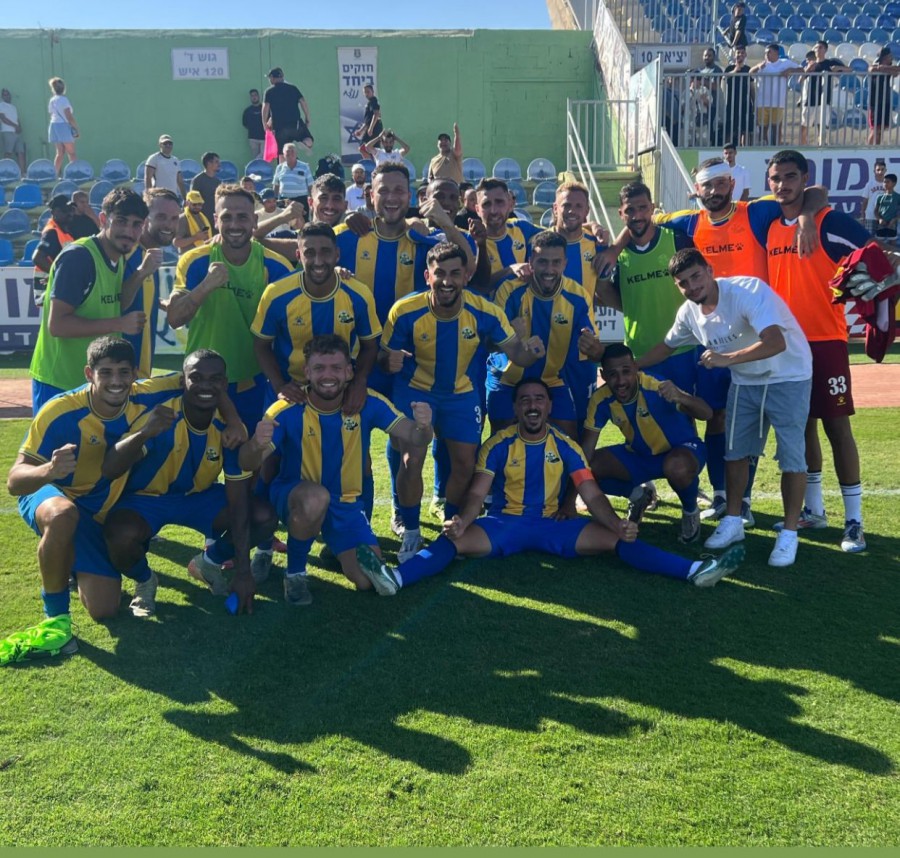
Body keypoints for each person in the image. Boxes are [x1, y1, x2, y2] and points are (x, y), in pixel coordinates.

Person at [355, 377, 744, 597]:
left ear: (548, 407)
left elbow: (592, 495)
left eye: (539, 399)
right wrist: (463, 521)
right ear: (516, 408)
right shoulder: (498, 444)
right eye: (525, 400)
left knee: (619, 541)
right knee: (451, 541)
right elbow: (475, 494)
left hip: (557, 525)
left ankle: (695, 570)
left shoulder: (567, 446)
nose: (532, 405)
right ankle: (396, 579)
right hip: (504, 524)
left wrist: (616, 524)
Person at [1, 337, 186, 665]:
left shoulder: (147, 393)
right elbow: (15, 481)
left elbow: (200, 376)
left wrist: (231, 420)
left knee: (104, 609)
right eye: (106, 372)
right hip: (51, 496)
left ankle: (70, 559)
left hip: (94, 513)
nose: (116, 381)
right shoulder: (60, 410)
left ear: (135, 373)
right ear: (89, 373)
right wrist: (49, 470)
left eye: (124, 372)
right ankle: (55, 621)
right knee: (62, 515)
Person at [641, 248, 813, 567]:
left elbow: (776, 342)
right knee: (735, 454)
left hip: (787, 376)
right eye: (683, 282)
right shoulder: (689, 313)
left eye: (696, 276)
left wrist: (726, 359)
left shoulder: (747, 291)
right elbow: (666, 347)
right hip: (745, 381)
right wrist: (629, 366)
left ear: (710, 270)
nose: (692, 286)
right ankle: (733, 520)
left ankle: (789, 533)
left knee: (791, 457)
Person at [239, 334, 435, 606]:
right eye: (319, 368)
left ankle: (338, 548)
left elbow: (415, 437)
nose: (327, 375)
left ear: (349, 372)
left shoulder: (369, 402)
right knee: (316, 498)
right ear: (307, 372)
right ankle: (295, 575)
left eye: (336, 368)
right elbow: (247, 463)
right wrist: (255, 445)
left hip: (346, 505)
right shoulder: (286, 409)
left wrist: (425, 426)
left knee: (366, 581)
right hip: (296, 495)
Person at [380, 241, 545, 560]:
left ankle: (451, 527)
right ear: (427, 276)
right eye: (440, 273)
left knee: (465, 463)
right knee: (412, 459)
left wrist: (531, 352)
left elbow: (517, 354)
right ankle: (411, 533)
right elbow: (384, 358)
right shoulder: (405, 310)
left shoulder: (485, 311)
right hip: (416, 392)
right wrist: (388, 362)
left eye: (455, 273)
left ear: (466, 277)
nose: (447, 281)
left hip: (462, 394)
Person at [102, 350, 278, 616]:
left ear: (224, 383)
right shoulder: (162, 414)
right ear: (182, 381)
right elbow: (110, 469)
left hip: (198, 498)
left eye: (215, 379)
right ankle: (145, 580)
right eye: (196, 378)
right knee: (120, 534)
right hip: (146, 499)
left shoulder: (230, 429)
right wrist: (144, 433)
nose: (206, 385)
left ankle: (209, 563)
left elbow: (238, 500)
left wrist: (243, 571)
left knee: (263, 516)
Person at [765, 150, 873, 552]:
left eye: (790, 176)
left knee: (837, 427)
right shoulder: (768, 226)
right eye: (776, 178)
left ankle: (854, 521)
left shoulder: (830, 221)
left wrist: (810, 214)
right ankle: (814, 509)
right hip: (786, 344)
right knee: (801, 426)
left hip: (826, 340)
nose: (782, 185)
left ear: (805, 178)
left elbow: (873, 255)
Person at [167, 185, 293, 432]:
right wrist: (206, 285)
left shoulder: (276, 266)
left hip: (253, 384)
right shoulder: (195, 260)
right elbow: (175, 318)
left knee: (250, 452)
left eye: (242, 217)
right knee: (199, 454)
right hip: (200, 381)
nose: (234, 224)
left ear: (254, 220)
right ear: (216, 220)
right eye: (227, 217)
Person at [29, 188, 153, 411]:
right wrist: (119, 324)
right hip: (60, 384)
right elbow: (57, 325)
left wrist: (141, 273)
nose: (128, 231)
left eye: (136, 224)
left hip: (90, 384)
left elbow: (116, 304)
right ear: (103, 220)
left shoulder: (117, 255)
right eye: (121, 221)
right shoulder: (79, 258)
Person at [579, 344, 711, 544]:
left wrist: (682, 397)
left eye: (626, 372)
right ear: (603, 375)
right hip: (640, 455)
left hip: (681, 451)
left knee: (677, 467)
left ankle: (690, 510)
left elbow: (707, 413)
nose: (621, 381)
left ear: (635, 368)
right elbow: (586, 453)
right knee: (589, 468)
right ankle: (639, 495)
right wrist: (572, 496)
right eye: (613, 374)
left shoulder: (655, 386)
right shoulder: (600, 399)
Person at [488, 230, 602, 440]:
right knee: (501, 439)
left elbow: (594, 348)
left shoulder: (577, 297)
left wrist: (593, 346)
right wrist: (509, 339)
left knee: (569, 440)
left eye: (556, 262)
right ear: (531, 261)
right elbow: (488, 344)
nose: (549, 270)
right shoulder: (509, 291)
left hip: (551, 379)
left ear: (565, 264)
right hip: (508, 378)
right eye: (542, 262)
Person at [121, 188, 180, 377]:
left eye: (174, 218)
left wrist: (161, 304)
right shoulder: (126, 253)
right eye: (161, 217)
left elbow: (137, 296)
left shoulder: (149, 255)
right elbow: (115, 301)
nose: (169, 225)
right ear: (145, 219)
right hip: (119, 373)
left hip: (140, 372)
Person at [472, 177, 542, 290]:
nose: (493, 211)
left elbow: (556, 234)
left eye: (499, 202)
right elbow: (477, 287)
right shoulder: (469, 241)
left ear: (510, 204)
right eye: (486, 204)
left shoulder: (522, 227)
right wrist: (510, 270)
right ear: (477, 210)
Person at [749, 44, 802, 146]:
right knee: (762, 127)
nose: (766, 54)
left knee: (776, 127)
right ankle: (763, 145)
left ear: (776, 53)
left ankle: (776, 146)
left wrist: (790, 70)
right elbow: (750, 73)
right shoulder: (763, 64)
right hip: (762, 102)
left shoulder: (785, 63)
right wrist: (757, 67)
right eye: (765, 53)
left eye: (769, 52)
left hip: (777, 102)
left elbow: (801, 70)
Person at [31, 194, 77, 304]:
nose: (70, 213)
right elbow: (37, 258)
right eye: (65, 210)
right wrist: (59, 274)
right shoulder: (51, 232)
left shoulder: (64, 232)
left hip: (56, 290)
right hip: (49, 289)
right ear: (55, 212)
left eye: (71, 209)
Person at [262, 67, 313, 155]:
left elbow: (265, 109)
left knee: (282, 152)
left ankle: (284, 163)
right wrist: (307, 118)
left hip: (279, 127)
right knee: (309, 139)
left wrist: (265, 125)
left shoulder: (269, 91)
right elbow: (303, 102)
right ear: (282, 77)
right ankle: (304, 143)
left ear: (272, 78)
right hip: (295, 124)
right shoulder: (293, 88)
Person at [723, 46, 755, 147]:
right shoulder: (729, 68)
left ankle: (744, 148)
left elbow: (752, 87)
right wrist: (735, 71)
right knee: (730, 128)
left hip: (745, 103)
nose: (740, 55)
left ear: (745, 55)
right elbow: (724, 78)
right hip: (731, 103)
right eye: (738, 53)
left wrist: (754, 102)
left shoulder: (748, 69)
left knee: (745, 129)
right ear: (734, 55)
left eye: (742, 53)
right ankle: (728, 148)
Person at [867, 46, 900, 145]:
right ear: (884, 57)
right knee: (875, 129)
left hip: (885, 101)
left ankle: (876, 148)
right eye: (889, 56)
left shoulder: (888, 66)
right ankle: (869, 149)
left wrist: (884, 68)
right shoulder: (875, 65)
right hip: (875, 101)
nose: (891, 57)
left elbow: (896, 71)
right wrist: (881, 68)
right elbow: (871, 69)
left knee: (881, 129)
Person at [47, 77, 79, 176]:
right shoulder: (64, 100)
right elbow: (68, 116)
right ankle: (75, 174)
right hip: (63, 126)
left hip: (53, 125)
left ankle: (54, 174)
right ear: (64, 88)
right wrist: (76, 128)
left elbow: (51, 114)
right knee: (71, 152)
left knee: (60, 153)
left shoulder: (52, 100)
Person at [273, 142, 313, 212]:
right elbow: (276, 185)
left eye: (292, 151)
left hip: (301, 201)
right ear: (284, 154)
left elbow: (310, 186)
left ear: (296, 153)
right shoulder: (279, 168)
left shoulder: (305, 167)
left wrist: (312, 199)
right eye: (288, 151)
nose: (290, 153)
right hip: (284, 201)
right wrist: (275, 200)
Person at [145, 134, 187, 198]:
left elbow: (180, 181)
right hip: (159, 196)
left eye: (170, 143)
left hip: (173, 196)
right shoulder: (154, 158)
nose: (168, 145)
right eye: (165, 143)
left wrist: (185, 198)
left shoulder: (175, 160)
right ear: (160, 145)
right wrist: (149, 196)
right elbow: (148, 178)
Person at [174, 190, 212, 254]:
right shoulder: (182, 219)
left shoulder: (202, 217)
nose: (197, 207)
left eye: (200, 204)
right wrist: (196, 237)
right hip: (188, 257)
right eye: (194, 204)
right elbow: (176, 242)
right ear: (187, 203)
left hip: (202, 255)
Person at [189, 152, 221, 226]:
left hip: (215, 221)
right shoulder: (198, 180)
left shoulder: (218, 182)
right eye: (216, 162)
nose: (219, 164)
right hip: (201, 221)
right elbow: (192, 201)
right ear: (209, 163)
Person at [0, 87, 26, 171]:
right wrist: (15, 126)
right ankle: (5, 172)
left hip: (16, 133)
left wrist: (19, 127)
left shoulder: (13, 107)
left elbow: (17, 118)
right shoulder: (1, 105)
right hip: (7, 131)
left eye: (8, 94)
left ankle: (22, 173)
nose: (7, 96)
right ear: (2, 97)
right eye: (5, 95)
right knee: (8, 153)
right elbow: (3, 118)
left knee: (21, 152)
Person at [862, 158, 887, 232]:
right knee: (870, 237)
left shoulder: (888, 184)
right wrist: (863, 214)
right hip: (870, 216)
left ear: (885, 170)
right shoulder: (870, 184)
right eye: (878, 170)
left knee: (882, 237)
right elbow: (865, 200)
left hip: (884, 217)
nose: (880, 172)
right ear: (874, 171)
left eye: (882, 169)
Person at [874, 173, 900, 242]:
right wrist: (879, 219)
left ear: (894, 183)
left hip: (892, 224)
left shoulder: (898, 197)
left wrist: (894, 219)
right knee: (879, 244)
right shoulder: (879, 197)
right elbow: (875, 211)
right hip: (881, 224)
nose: (885, 184)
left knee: (892, 244)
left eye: (888, 182)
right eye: (884, 182)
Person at [242, 89, 265, 160]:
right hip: (253, 138)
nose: (254, 97)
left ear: (258, 96)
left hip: (264, 137)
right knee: (255, 156)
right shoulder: (247, 111)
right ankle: (255, 165)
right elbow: (244, 123)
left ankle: (256, 162)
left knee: (264, 155)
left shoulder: (264, 108)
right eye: (252, 96)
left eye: (255, 95)